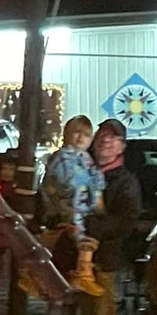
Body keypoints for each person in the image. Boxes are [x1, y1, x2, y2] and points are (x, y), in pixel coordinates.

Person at [46, 118, 141, 315]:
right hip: (62, 264)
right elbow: (45, 204)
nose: (105, 142)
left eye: (113, 139)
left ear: (122, 146)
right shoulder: (65, 166)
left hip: (101, 268)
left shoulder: (125, 182)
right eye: (101, 136)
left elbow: (124, 222)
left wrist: (86, 226)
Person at [40, 115, 106, 295]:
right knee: (80, 237)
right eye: (76, 132)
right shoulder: (62, 157)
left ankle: (83, 273)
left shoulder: (86, 158)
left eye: (86, 135)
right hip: (67, 208)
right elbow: (68, 184)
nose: (80, 138)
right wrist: (92, 188)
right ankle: (81, 275)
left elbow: (95, 180)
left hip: (83, 208)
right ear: (67, 134)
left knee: (86, 239)